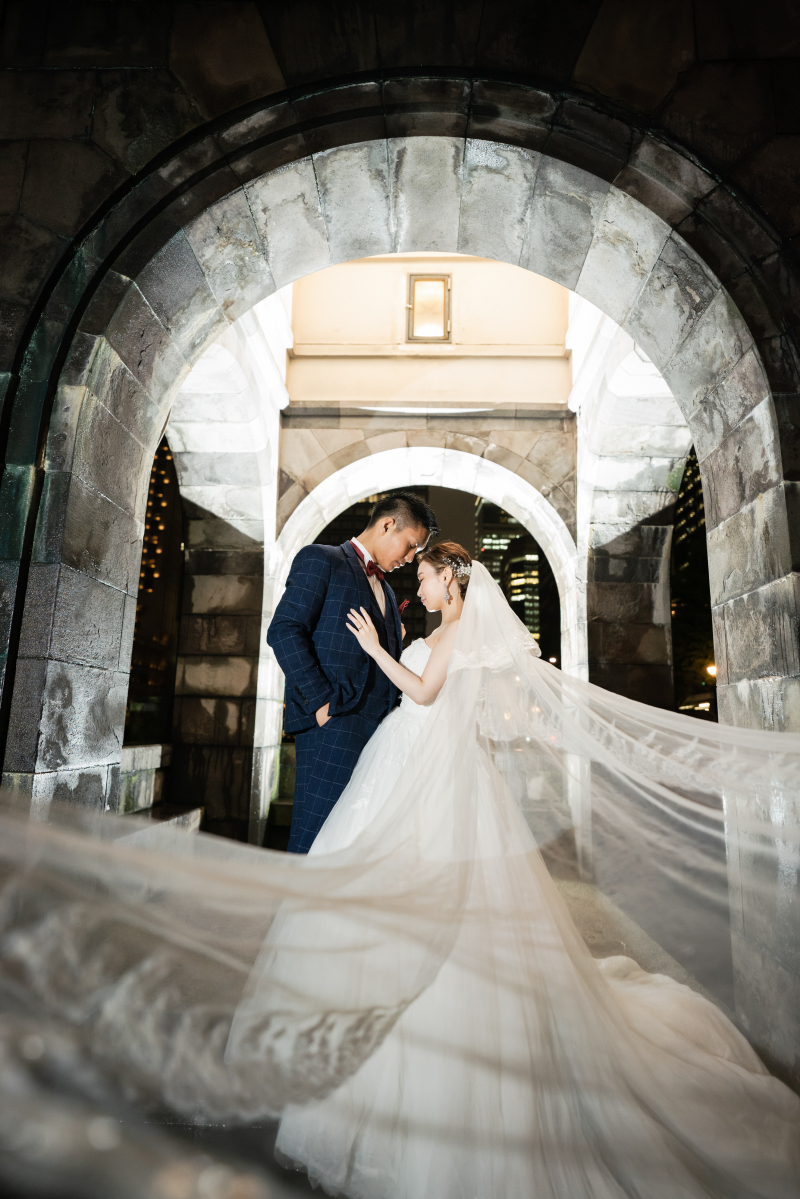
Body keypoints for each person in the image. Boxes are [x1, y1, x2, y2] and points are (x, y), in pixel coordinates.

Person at [263, 542, 800, 1199]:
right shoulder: (446, 629)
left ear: (453, 582)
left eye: (427, 576)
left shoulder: (457, 633)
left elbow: (427, 694)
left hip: (430, 775)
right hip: (410, 766)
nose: (419, 583)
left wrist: (376, 649)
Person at [266, 491, 437, 853]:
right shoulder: (321, 559)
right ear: (388, 524)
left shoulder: (389, 594)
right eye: (409, 547)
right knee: (315, 839)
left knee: (355, 847)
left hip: (381, 736)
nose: (410, 559)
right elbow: (284, 630)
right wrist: (322, 705)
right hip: (334, 723)